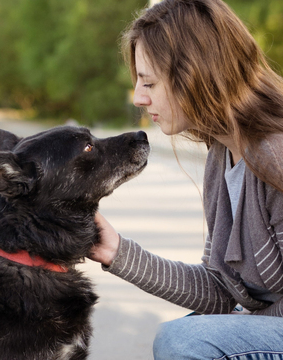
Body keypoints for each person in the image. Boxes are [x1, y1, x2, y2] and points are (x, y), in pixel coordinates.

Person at [89, 0, 283, 359]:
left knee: (185, 340)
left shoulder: (275, 155)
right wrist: (116, 251)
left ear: (196, 74)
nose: (138, 97)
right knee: (192, 331)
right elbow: (223, 290)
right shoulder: (222, 157)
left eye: (148, 82)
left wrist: (246, 317)